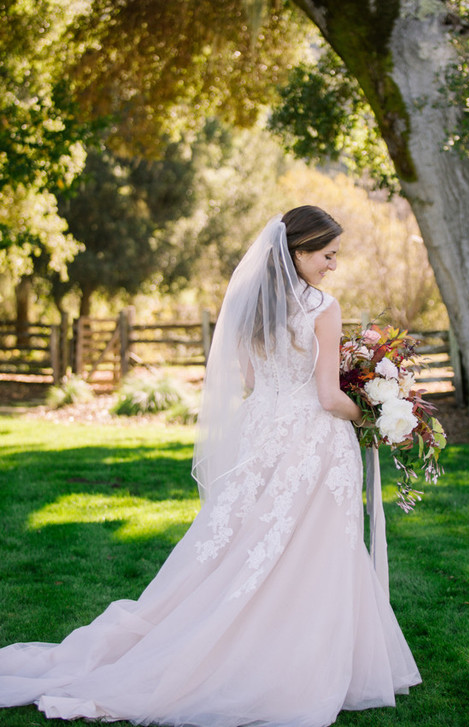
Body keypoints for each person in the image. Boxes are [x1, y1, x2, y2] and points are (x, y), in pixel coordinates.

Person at [0, 206, 421, 726]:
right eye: (327, 255)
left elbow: (251, 379)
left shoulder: (253, 305)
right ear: (298, 252)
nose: (333, 266)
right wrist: (373, 415)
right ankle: (293, 658)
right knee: (312, 547)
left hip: (261, 432)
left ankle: (231, 638)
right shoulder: (322, 308)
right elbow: (328, 397)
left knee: (247, 543)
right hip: (312, 440)